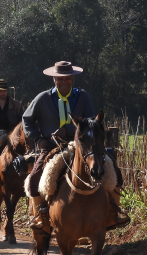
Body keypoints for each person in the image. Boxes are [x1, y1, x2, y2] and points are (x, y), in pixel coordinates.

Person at [23, 61, 128, 231]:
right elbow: (26, 119)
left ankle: (112, 213)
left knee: (113, 172)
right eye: (60, 79)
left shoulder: (83, 97)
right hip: (51, 146)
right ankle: (40, 216)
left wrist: (68, 130)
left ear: (73, 79)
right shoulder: (43, 98)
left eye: (68, 79)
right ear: (54, 80)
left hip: (82, 145)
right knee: (35, 178)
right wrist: (37, 139)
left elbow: (91, 122)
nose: (64, 82)